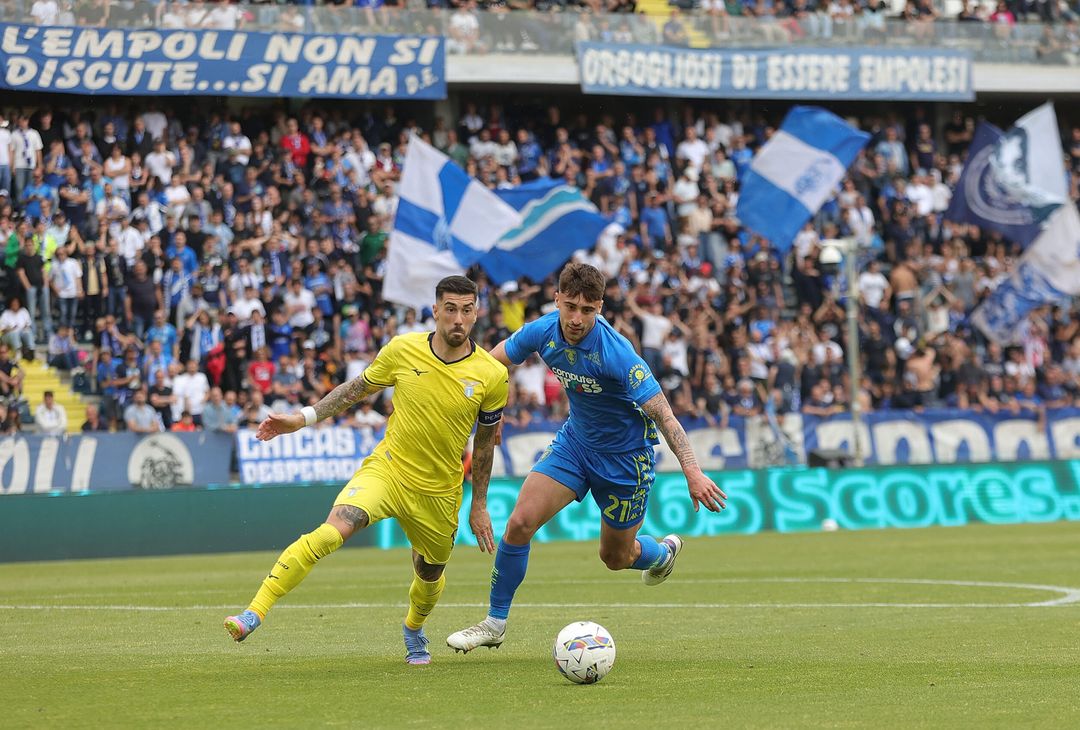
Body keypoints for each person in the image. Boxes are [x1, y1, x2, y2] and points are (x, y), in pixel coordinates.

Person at [224, 276, 509, 666]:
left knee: (429, 572)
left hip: (440, 492)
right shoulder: (403, 349)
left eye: (466, 310)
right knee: (333, 530)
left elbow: (485, 444)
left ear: (476, 314)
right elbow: (354, 390)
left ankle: (413, 628)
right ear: (435, 311)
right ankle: (253, 612)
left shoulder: (491, 374)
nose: (458, 319)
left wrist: (479, 505)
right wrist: (302, 418)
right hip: (388, 471)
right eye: (450, 309)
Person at [447, 263, 726, 653]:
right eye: (571, 307)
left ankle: (662, 553)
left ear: (600, 308)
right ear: (557, 299)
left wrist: (692, 471)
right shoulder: (543, 330)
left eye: (588, 310)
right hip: (575, 445)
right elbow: (490, 366)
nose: (577, 319)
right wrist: (494, 405)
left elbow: (664, 414)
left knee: (615, 557)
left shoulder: (618, 354)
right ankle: (494, 623)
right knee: (520, 522)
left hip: (626, 460)